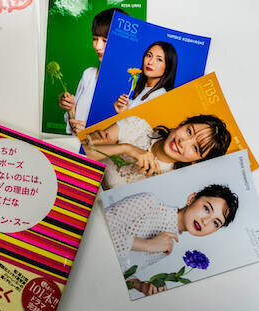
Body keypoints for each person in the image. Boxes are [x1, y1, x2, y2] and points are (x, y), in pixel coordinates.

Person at [105, 184, 239, 296]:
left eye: (215, 223)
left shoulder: (168, 246)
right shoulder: (149, 203)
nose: (205, 221)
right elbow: (99, 224)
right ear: (192, 198)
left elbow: (121, 268)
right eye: (206, 208)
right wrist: (148, 244)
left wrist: (140, 285)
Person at [82, 114, 231, 190]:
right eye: (189, 131)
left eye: (195, 148)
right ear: (182, 124)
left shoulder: (168, 184)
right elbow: (80, 152)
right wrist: (126, 148)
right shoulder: (136, 126)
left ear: (195, 161)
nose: (183, 142)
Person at [58, 7, 127, 135]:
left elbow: (130, 136)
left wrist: (93, 133)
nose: (97, 46)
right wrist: (71, 108)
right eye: (95, 38)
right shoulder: (88, 75)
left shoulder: (130, 84)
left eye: (105, 40)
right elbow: (74, 125)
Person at [113, 41, 177, 113]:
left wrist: (124, 113)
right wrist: (121, 109)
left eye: (159, 59)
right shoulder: (143, 89)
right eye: (149, 55)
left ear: (168, 67)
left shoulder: (159, 95)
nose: (150, 62)